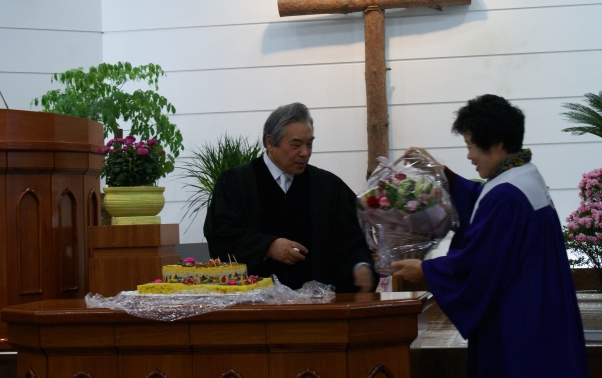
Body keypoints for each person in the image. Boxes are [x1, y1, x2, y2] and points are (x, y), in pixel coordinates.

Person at [393, 95, 590, 377]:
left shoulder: (507, 195)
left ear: (496, 143)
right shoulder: (524, 176)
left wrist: (427, 270)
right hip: (543, 315)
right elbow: (482, 205)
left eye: (470, 145)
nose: (469, 156)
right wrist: (440, 174)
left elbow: (479, 263)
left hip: (521, 327)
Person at [204, 102, 375, 292]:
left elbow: (351, 238)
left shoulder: (327, 186)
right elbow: (221, 234)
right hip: (255, 302)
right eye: (296, 144)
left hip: (319, 303)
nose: (305, 152)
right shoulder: (236, 183)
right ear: (270, 142)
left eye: (309, 144)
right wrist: (267, 247)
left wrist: (360, 265)